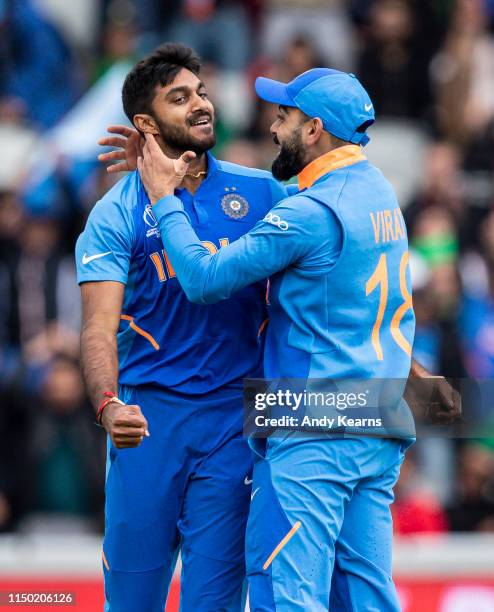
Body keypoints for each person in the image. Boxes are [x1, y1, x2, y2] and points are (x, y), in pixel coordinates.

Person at [132, 67, 445, 610]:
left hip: (311, 426)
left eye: (285, 116)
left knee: (286, 594)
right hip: (377, 421)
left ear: (315, 129)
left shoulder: (309, 214)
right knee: (366, 599)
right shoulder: (379, 191)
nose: (274, 126)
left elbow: (205, 281)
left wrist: (164, 197)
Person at [76, 43, 287, 612]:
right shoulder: (117, 212)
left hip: (233, 421)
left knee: (211, 604)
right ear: (145, 124)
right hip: (148, 422)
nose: (201, 105)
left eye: (201, 92)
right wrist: (108, 405)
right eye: (179, 98)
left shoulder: (261, 192)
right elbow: (97, 329)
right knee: (132, 600)